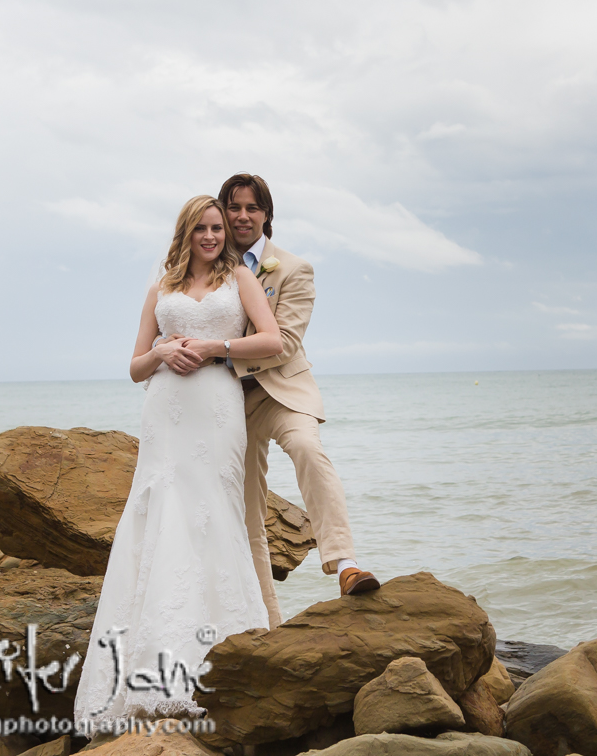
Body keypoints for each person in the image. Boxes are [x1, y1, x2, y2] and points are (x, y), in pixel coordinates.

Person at [73, 195, 283, 729]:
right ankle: (150, 668)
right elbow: (135, 367)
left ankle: (222, 655)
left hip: (215, 407)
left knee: (212, 513)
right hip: (164, 411)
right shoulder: (161, 288)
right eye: (203, 229)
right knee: (160, 514)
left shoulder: (241, 281)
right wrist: (164, 353)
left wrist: (214, 347)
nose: (213, 236)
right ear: (186, 233)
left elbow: (272, 341)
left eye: (218, 228)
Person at [221, 173, 378, 625]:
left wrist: (219, 356)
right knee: (248, 508)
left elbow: (285, 343)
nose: (242, 216)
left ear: (267, 215)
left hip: (281, 391)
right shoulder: (207, 269)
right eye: (234, 207)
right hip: (227, 405)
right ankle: (269, 619)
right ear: (221, 212)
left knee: (309, 450)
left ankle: (345, 564)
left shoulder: (292, 268)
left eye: (252, 207)